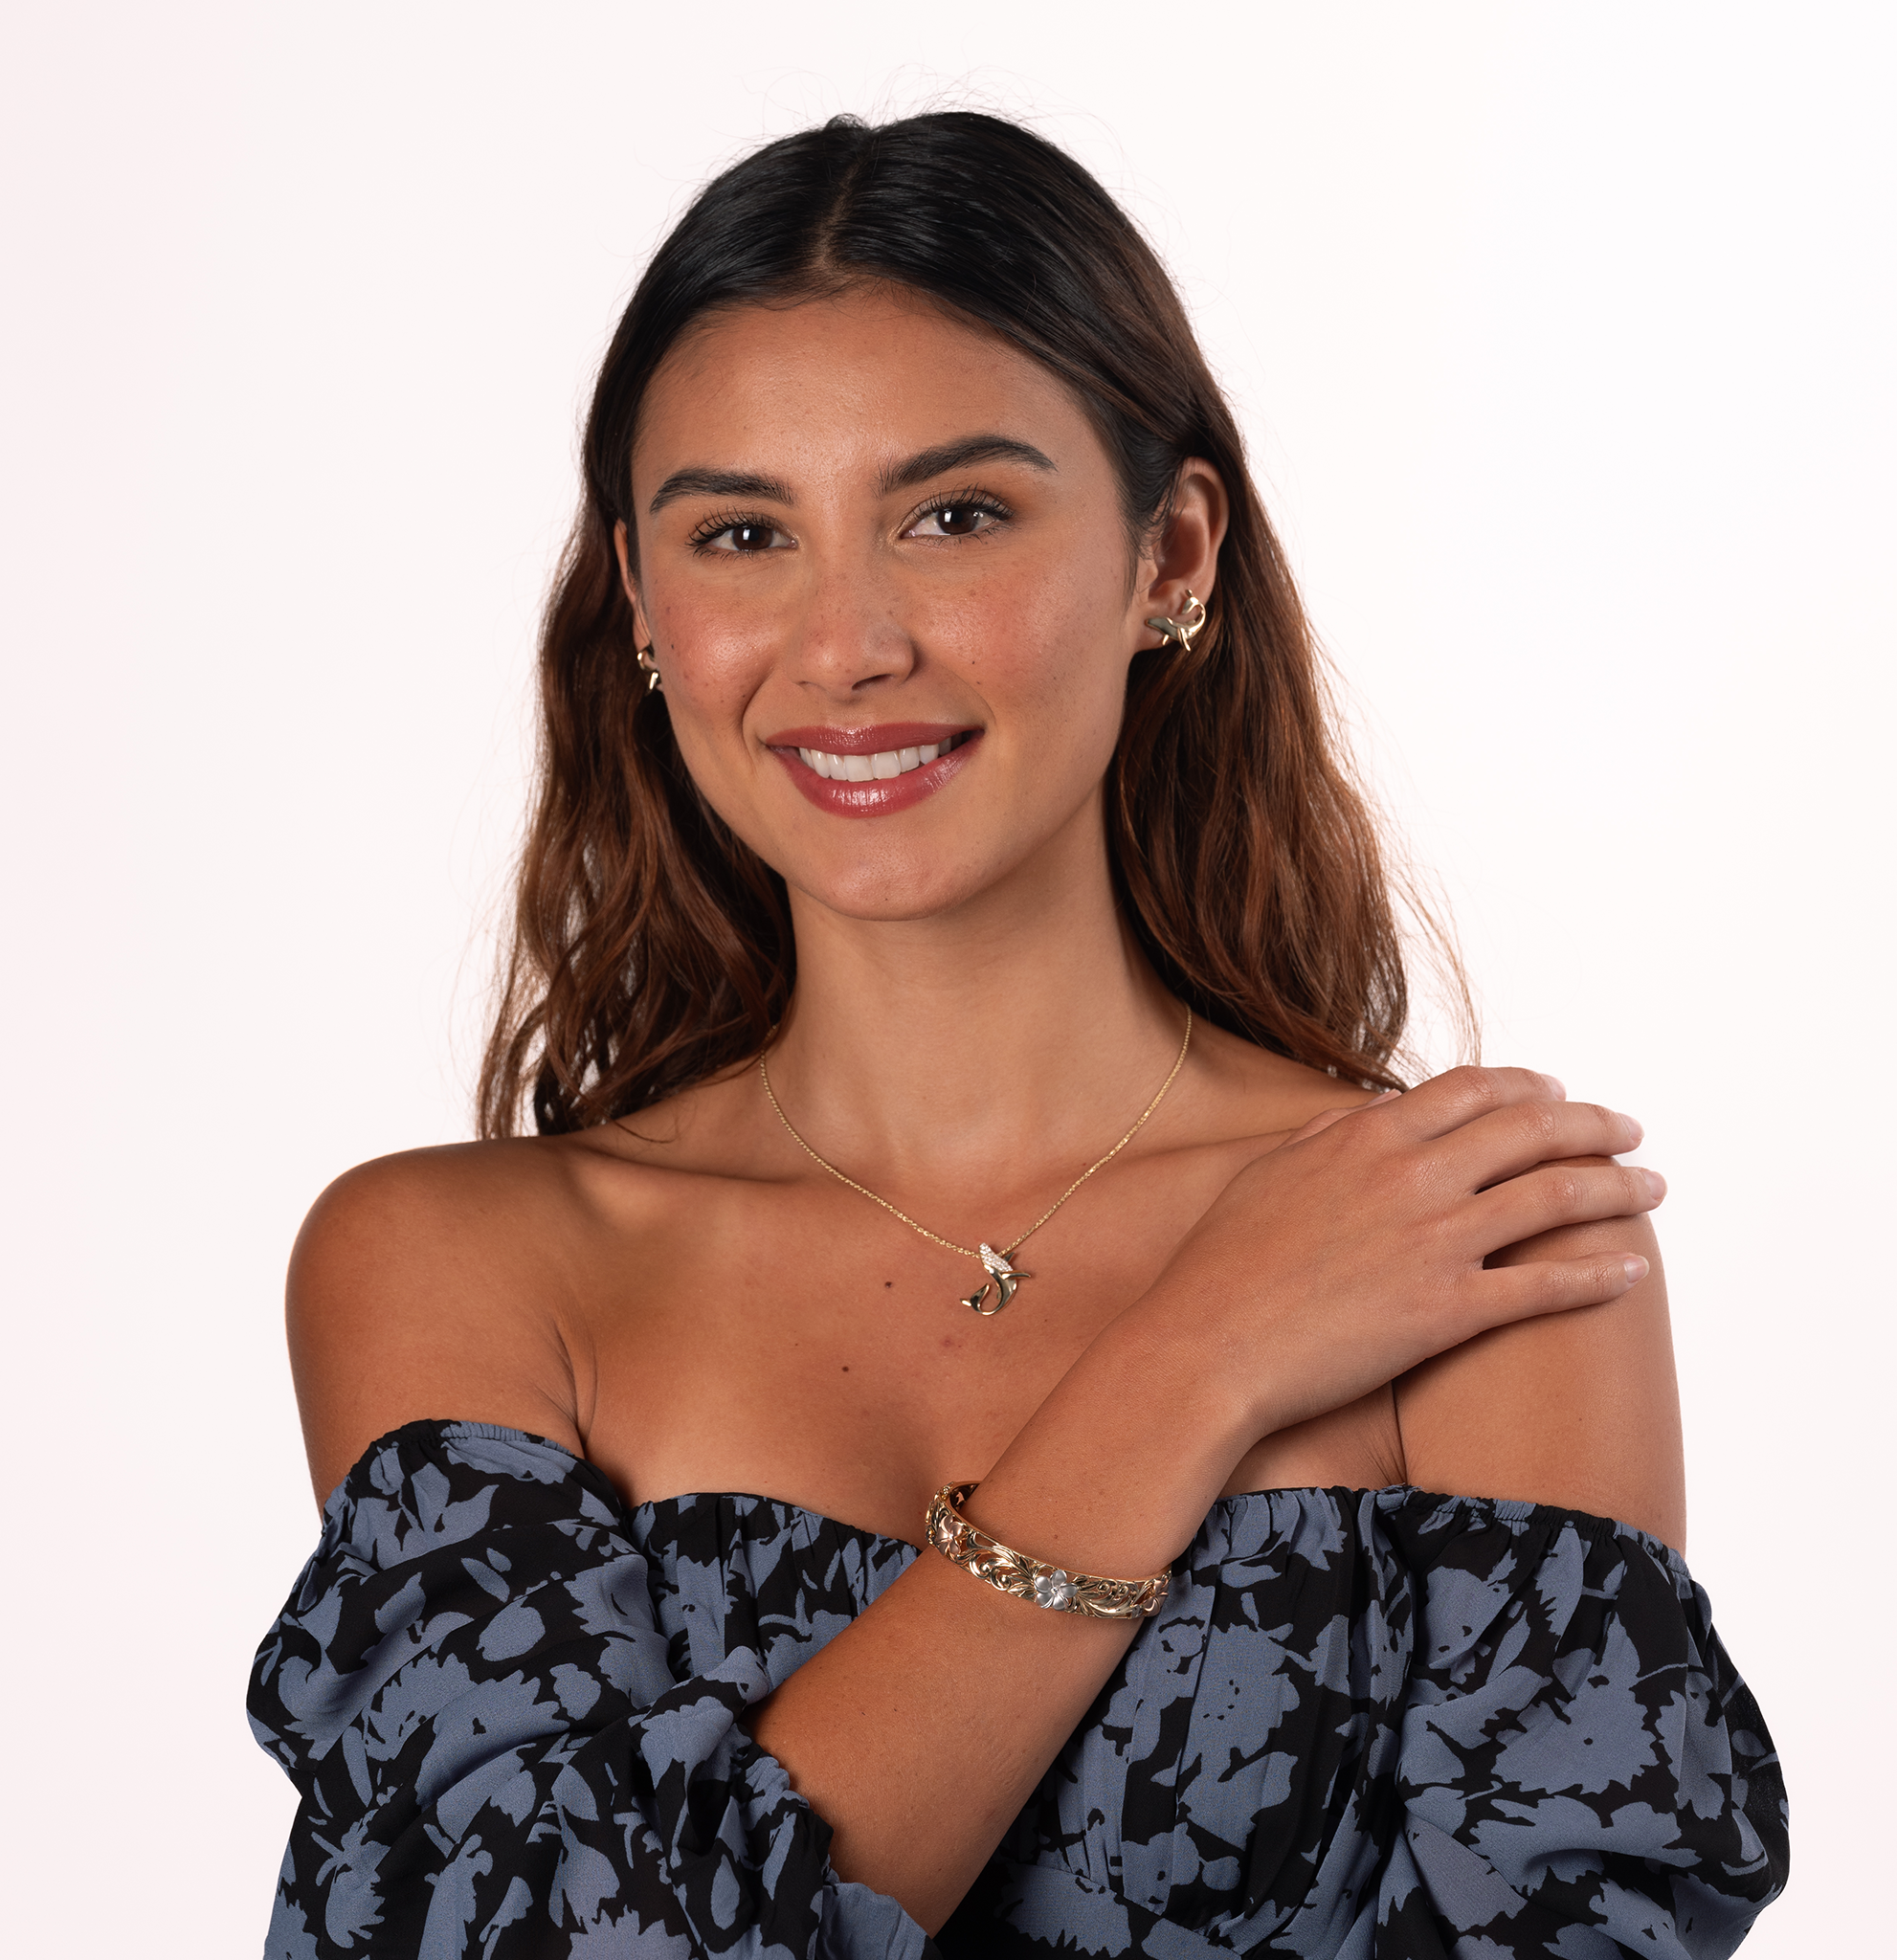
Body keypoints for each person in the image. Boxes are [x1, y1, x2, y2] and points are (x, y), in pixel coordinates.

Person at [249, 112, 1787, 1957]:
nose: (847, 645)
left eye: (955, 516)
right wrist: (1192, 1368)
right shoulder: (455, 1264)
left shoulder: (1468, 1235)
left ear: (1171, 554)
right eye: (742, 535)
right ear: (644, 605)